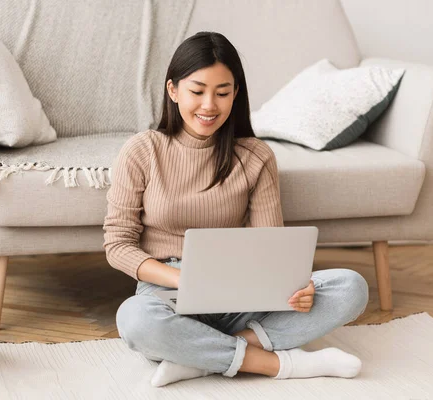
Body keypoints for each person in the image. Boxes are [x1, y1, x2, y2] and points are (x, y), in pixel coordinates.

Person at [103, 31, 369, 387]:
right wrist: (186, 280)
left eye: (222, 93)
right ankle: (280, 364)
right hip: (168, 292)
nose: (209, 105)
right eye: (197, 91)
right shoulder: (142, 150)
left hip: (242, 291)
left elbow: (271, 247)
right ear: (173, 90)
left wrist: (295, 286)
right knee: (135, 320)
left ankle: (197, 358)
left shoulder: (255, 156)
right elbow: (118, 245)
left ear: (236, 95)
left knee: (351, 287)